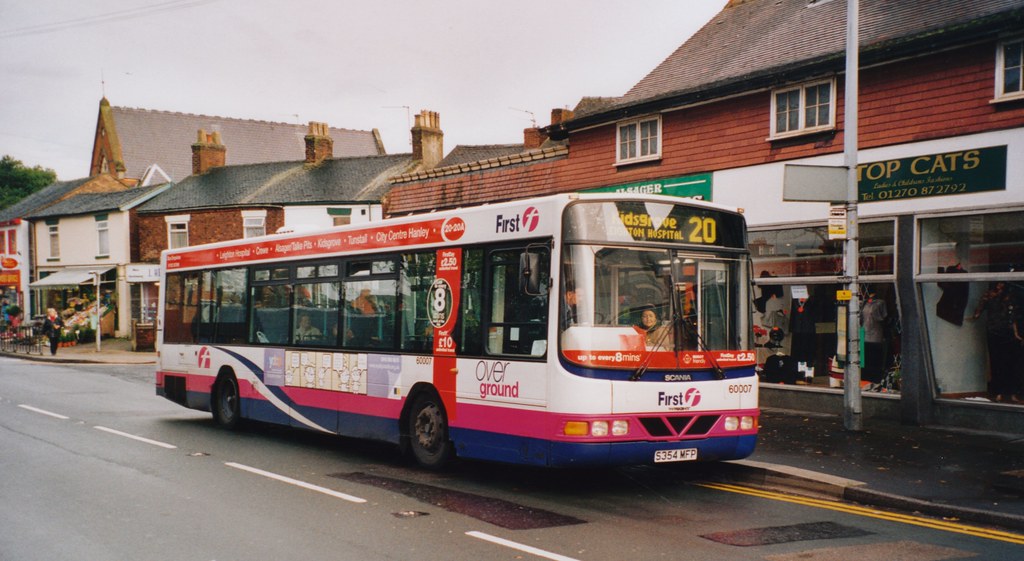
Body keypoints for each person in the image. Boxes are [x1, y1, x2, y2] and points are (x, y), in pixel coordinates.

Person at [972, 281, 1023, 402]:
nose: (1000, 286)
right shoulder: (989, 296)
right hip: (995, 332)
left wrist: (1016, 333)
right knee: (997, 363)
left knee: (1010, 364)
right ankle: (999, 392)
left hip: (1006, 333)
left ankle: (1010, 393)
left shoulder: (1009, 297)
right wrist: (976, 314)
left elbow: (1013, 317)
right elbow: (979, 310)